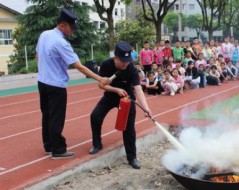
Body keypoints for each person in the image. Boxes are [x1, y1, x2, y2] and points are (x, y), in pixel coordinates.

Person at [36, 9, 110, 159]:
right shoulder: (61, 43)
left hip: (42, 82)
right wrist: (100, 79)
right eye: (71, 28)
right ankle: (58, 150)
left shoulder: (44, 35)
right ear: (62, 25)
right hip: (56, 86)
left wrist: (43, 71)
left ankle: (48, 146)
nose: (73, 31)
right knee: (56, 117)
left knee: (47, 115)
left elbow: (37, 55)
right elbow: (80, 67)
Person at [89, 41, 152, 169]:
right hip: (110, 95)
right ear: (115, 57)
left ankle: (132, 157)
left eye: (127, 60)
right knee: (95, 116)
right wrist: (115, 90)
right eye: (123, 61)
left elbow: (138, 89)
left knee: (128, 127)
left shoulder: (131, 68)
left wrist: (146, 108)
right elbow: (101, 85)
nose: (125, 63)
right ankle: (97, 144)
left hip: (127, 98)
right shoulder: (106, 64)